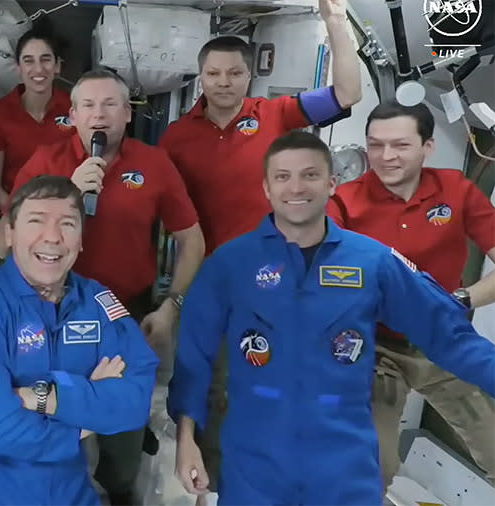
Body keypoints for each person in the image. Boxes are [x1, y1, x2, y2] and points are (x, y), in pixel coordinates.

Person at [168, 132, 495, 505]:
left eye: (309, 175)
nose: (296, 187)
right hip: (254, 462)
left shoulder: (373, 262)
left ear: (331, 184)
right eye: (282, 176)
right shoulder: (229, 265)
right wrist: (186, 437)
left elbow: (448, 335)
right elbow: (194, 357)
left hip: (344, 464)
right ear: (266, 188)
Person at [0, 68, 205, 505]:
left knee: (121, 445)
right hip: (50, 316)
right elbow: (1, 244)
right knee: (48, 425)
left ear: (128, 114)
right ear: (71, 116)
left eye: (110, 105)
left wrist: (171, 307)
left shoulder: (153, 163)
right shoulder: (45, 163)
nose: (99, 115)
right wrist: (66, 193)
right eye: (88, 105)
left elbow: (192, 240)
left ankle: (120, 488)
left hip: (123, 318)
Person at [0, 175, 159, 505]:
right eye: (36, 221)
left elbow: (136, 401)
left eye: (68, 223)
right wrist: (85, 420)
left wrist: (41, 398)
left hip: (73, 495)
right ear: (10, 234)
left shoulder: (97, 301)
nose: (53, 237)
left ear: (81, 239)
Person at [328, 102, 495, 487]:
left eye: (400, 145)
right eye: (375, 145)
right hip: (373, 350)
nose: (386, 157)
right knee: (372, 466)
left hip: (440, 338)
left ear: (428, 147)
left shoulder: (457, 192)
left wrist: (465, 299)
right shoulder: (343, 203)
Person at [159, 0, 362, 254]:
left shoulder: (273, 113)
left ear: (249, 75)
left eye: (234, 73)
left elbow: (347, 94)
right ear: (202, 77)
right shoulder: (176, 137)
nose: (224, 82)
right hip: (208, 268)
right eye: (213, 74)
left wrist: (335, 20)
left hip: (273, 264)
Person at [0, 20, 75, 210]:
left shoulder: (75, 107)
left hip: (67, 208)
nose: (38, 69)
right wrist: (17, 218)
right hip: (17, 209)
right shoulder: (0, 113)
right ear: (18, 68)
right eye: (28, 61)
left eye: (46, 59)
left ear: (58, 66)